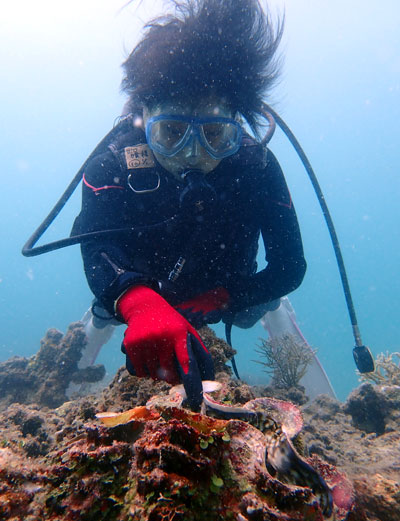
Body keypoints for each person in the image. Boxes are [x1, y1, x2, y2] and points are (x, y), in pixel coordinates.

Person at [71, 0, 308, 409]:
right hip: (143, 286)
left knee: (261, 304)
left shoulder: (256, 167)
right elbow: (95, 246)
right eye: (171, 133)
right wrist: (137, 301)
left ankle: (275, 314)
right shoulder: (113, 163)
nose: (193, 155)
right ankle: (93, 332)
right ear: (144, 119)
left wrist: (229, 295)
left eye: (215, 135)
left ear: (238, 126)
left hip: (228, 287)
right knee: (107, 308)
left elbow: (289, 266)